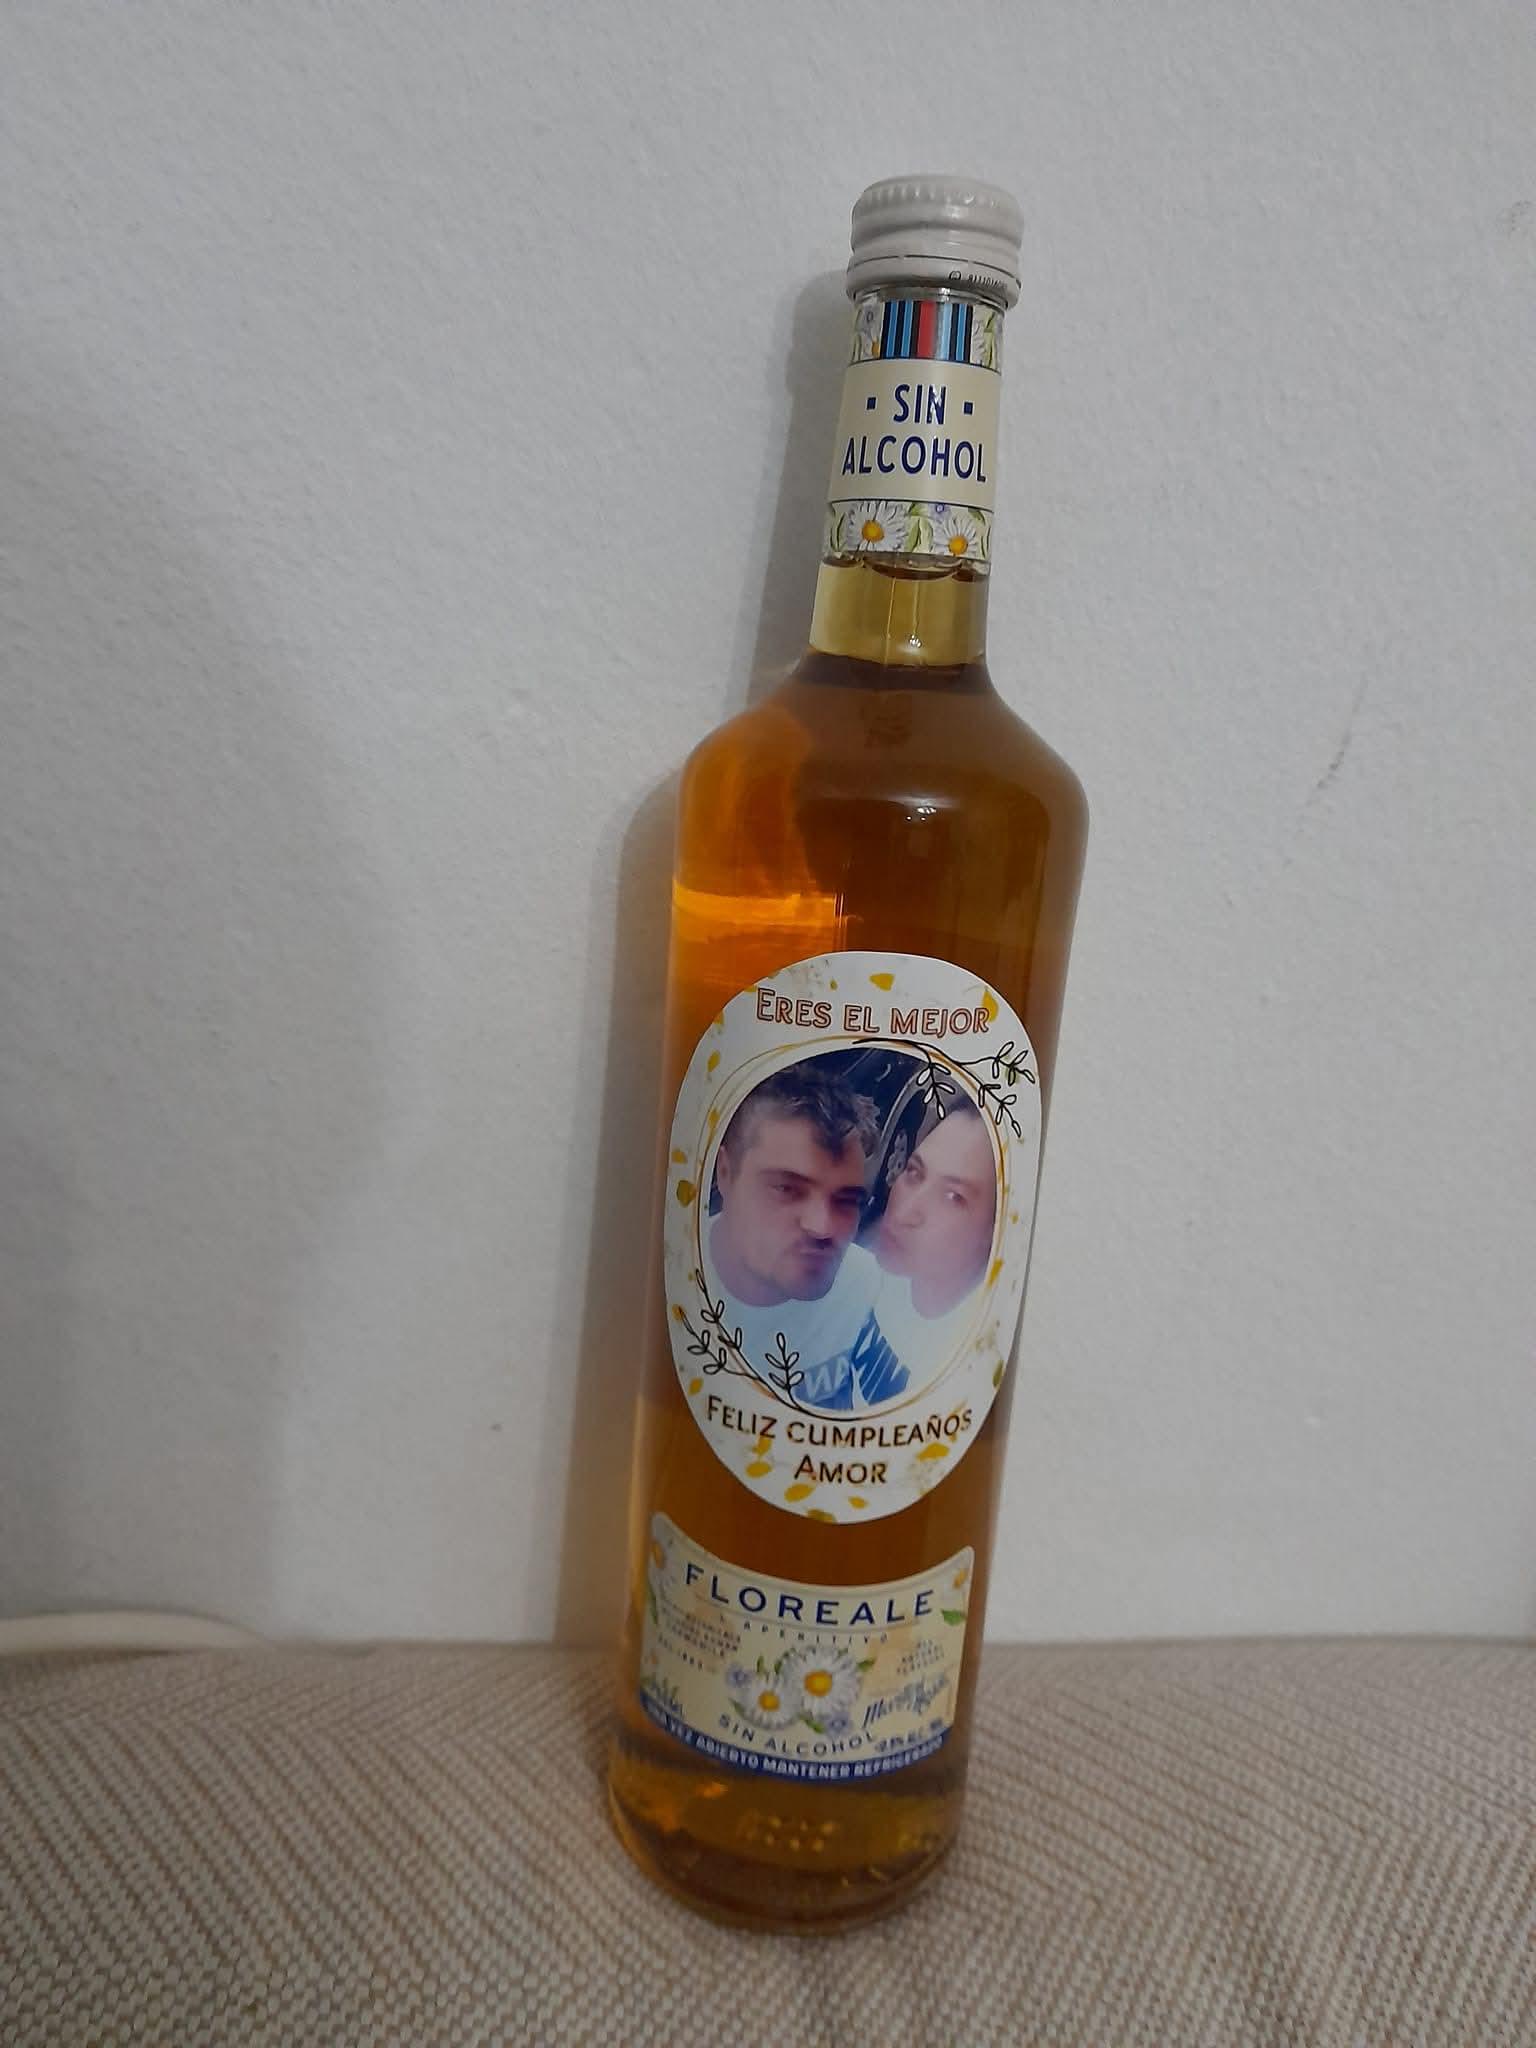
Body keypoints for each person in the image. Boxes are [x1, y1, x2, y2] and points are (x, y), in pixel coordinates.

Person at [707, 1064, 908, 1410]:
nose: (822, 1227)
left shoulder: (871, 1290)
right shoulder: (672, 1283)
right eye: (786, 1189)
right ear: (725, 1173)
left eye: (846, 1200)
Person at [873, 1099, 998, 1362]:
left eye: (953, 1197)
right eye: (914, 1172)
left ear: (995, 1230)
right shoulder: (859, 1278)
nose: (904, 1212)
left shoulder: (976, 1355)